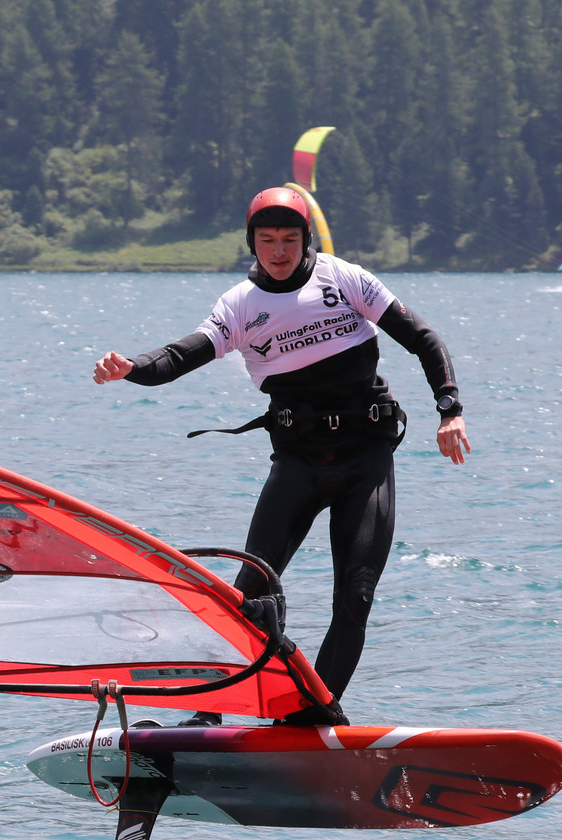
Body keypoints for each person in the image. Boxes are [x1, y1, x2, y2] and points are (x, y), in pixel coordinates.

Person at [93, 187, 469, 727]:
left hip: (365, 460)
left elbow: (423, 338)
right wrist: (131, 366)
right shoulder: (240, 306)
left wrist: (449, 409)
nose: (278, 250)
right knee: (250, 592)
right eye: (266, 240)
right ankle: (210, 712)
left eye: (289, 239)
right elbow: (180, 355)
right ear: (252, 243)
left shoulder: (344, 279)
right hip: (298, 462)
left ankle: (310, 716)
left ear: (305, 240)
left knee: (355, 596)